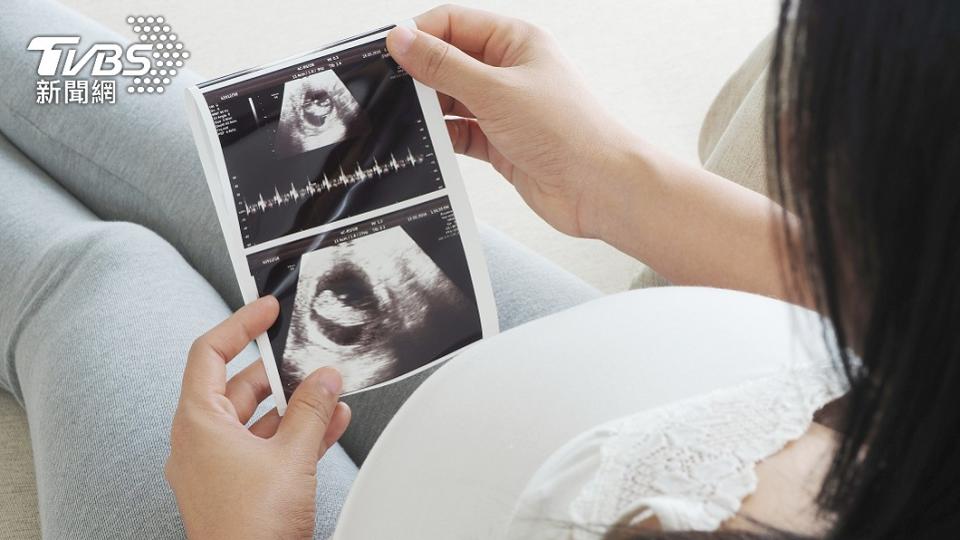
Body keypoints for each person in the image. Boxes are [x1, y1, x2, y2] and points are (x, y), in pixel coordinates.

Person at [1, 3, 956, 540]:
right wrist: (616, 184)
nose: (786, 124)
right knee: (216, 139)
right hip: (636, 392)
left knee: (106, 275)